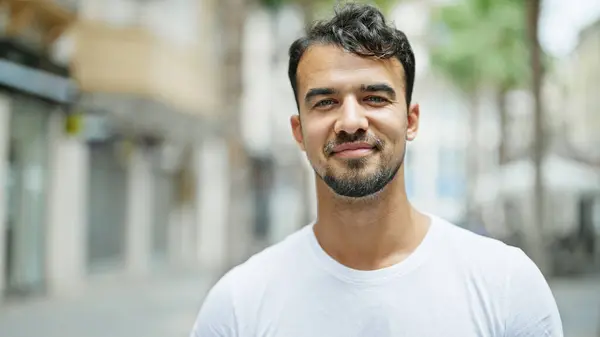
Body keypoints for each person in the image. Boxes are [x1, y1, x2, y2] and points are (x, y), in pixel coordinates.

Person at [190, 3, 563, 336]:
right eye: (325, 102)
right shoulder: (238, 306)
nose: (350, 121)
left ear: (411, 120)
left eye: (374, 98)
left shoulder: (507, 284)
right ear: (299, 131)